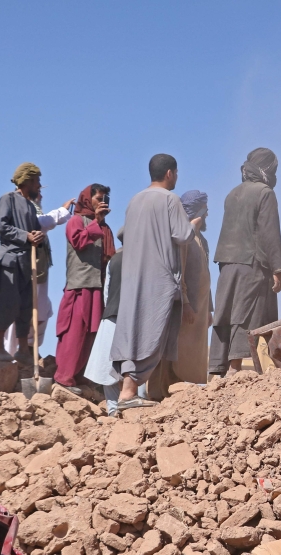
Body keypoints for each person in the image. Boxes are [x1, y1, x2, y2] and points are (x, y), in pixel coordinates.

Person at [109, 154, 194, 409]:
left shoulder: (134, 200)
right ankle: (129, 392)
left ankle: (128, 390)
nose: (177, 177)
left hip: (133, 275)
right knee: (151, 332)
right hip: (159, 277)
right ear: (169, 173)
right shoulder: (170, 199)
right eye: (176, 173)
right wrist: (194, 224)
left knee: (132, 329)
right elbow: (182, 234)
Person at [209, 148, 281, 377]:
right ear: (267, 169)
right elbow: (269, 233)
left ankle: (218, 369)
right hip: (251, 262)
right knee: (247, 312)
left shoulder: (232, 193)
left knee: (227, 311)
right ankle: (235, 370)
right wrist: (278, 269)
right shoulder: (265, 193)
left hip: (226, 263)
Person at [0, 163, 72, 365]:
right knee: (7, 303)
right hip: (9, 261)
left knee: (26, 307)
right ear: (28, 181)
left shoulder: (29, 205)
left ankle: (23, 349)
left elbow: (36, 230)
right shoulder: (8, 199)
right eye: (37, 181)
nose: (39, 186)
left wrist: (35, 236)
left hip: (27, 264)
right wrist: (26, 236)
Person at [148, 189, 213, 399]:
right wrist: (185, 303)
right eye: (205, 209)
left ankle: (184, 397)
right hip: (185, 308)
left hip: (200, 309)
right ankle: (162, 397)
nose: (207, 214)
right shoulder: (183, 235)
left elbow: (206, 276)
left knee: (192, 357)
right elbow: (179, 273)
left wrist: (209, 309)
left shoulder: (201, 239)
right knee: (174, 354)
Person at [53, 184, 115, 394]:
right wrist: (97, 221)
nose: (102, 202)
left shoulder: (105, 228)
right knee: (75, 331)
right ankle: (64, 378)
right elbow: (79, 241)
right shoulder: (76, 221)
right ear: (88, 200)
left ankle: (81, 378)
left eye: (105, 198)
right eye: (98, 198)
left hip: (98, 288)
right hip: (80, 286)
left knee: (92, 334)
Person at [3, 190, 64, 355]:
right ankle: (12, 354)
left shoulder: (34, 211)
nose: (41, 196)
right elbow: (43, 222)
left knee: (43, 310)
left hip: (39, 271)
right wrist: (63, 210)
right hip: (24, 270)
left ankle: (30, 348)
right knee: (20, 311)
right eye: (37, 192)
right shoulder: (21, 212)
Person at [84, 227, 130, 416]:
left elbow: (107, 293)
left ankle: (113, 410)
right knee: (134, 364)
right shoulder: (145, 259)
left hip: (111, 316)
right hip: (133, 320)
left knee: (108, 365)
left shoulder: (114, 261)